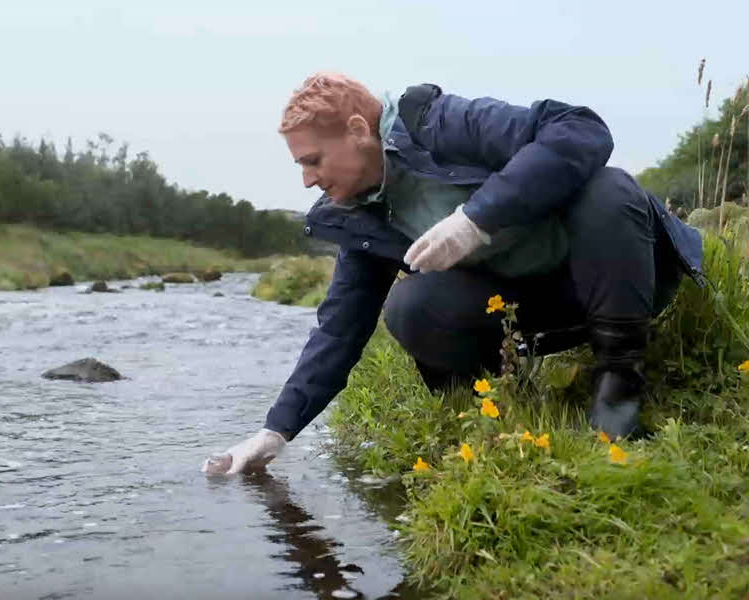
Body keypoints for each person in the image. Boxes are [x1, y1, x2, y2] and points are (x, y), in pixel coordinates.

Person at [203, 72, 704, 475]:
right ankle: (500, 406)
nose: (308, 179)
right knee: (410, 306)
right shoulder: (358, 212)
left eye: (312, 160)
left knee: (609, 188)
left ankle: (618, 389)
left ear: (358, 131)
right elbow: (339, 329)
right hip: (532, 311)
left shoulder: (438, 122)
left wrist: (476, 219)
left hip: (621, 278)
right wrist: (276, 431)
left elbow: (582, 129)